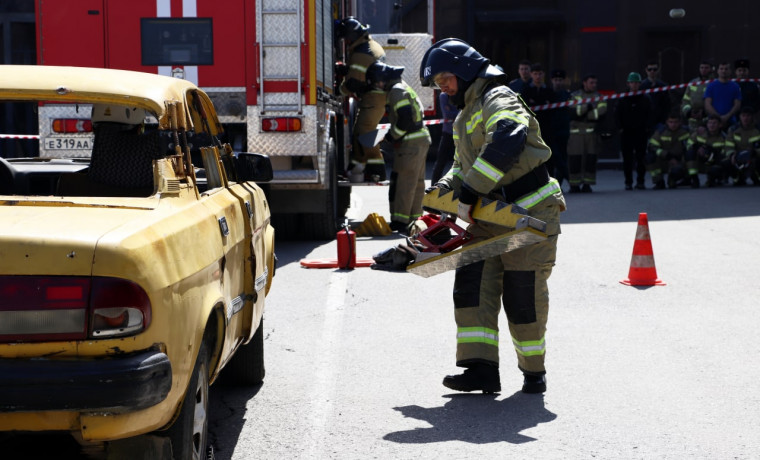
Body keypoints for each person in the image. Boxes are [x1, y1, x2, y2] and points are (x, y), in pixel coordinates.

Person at [420, 38, 566, 394]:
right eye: (439, 84)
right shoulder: (466, 114)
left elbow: (508, 137)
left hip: (529, 213)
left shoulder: (498, 99)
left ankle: (534, 372)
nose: (444, 88)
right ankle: (480, 369)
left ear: (466, 70)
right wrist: (439, 193)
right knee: (473, 287)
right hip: (489, 217)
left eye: (446, 80)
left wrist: (469, 192)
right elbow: (461, 167)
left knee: (522, 294)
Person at [366, 61, 431, 234]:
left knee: (403, 182)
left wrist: (390, 136)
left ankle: (401, 222)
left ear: (382, 79)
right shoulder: (403, 87)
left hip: (410, 143)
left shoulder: (396, 91)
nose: (377, 86)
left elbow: (405, 118)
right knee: (416, 183)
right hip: (420, 139)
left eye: (376, 82)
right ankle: (414, 220)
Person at [336, 17, 387, 181]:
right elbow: (363, 72)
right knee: (362, 133)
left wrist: (338, 91)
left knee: (365, 134)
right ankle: (367, 170)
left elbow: (352, 83)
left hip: (373, 99)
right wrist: (345, 69)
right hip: (376, 98)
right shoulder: (370, 46)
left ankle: (376, 172)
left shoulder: (360, 54)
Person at [568, 73, 607, 192]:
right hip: (575, 134)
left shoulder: (600, 97)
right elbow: (573, 113)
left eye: (595, 83)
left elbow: (600, 114)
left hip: (591, 134)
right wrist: (589, 107)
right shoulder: (575, 96)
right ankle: (574, 185)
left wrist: (583, 113)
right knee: (575, 159)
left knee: (590, 159)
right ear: (584, 83)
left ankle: (587, 184)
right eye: (591, 82)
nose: (594, 85)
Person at [616, 72, 651, 190]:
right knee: (627, 159)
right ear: (628, 83)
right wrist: (620, 128)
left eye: (636, 82)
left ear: (640, 84)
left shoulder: (645, 98)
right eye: (632, 82)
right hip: (626, 132)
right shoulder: (623, 98)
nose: (634, 85)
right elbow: (617, 114)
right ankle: (628, 182)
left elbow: (650, 114)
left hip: (641, 132)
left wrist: (647, 128)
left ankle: (640, 181)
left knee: (641, 157)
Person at [522, 63, 557, 176]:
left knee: (548, 154)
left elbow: (552, 109)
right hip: (531, 128)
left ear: (544, 75)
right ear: (531, 74)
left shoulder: (549, 91)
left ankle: (549, 177)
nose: (538, 76)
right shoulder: (526, 90)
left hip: (547, 128)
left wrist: (537, 103)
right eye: (535, 74)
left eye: (540, 74)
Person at [646, 113, 690, 189]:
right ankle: (659, 181)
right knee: (650, 157)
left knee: (676, 174)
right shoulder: (660, 132)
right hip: (664, 160)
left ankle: (675, 179)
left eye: (676, 122)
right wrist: (667, 155)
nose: (673, 124)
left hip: (679, 161)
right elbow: (652, 146)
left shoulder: (686, 131)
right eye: (671, 122)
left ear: (680, 122)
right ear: (667, 122)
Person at [686, 115, 727, 187]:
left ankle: (714, 178)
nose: (712, 125)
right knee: (690, 153)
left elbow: (724, 154)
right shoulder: (699, 133)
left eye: (714, 123)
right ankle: (694, 178)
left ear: (720, 125)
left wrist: (712, 152)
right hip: (700, 161)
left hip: (714, 162)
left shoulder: (723, 137)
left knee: (723, 164)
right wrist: (697, 148)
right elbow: (688, 144)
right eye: (710, 123)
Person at [725, 106, 760, 185]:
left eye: (748, 115)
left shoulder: (758, 129)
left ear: (752, 117)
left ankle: (756, 176)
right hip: (737, 158)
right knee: (725, 163)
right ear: (740, 117)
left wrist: (755, 152)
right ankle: (737, 178)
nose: (745, 118)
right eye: (743, 115)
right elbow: (728, 145)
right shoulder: (733, 129)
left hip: (753, 157)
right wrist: (731, 155)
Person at [549, 69, 571, 187]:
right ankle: (568, 178)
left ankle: (559, 184)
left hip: (563, 130)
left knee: (562, 157)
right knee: (555, 158)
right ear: (552, 80)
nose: (558, 82)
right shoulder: (549, 93)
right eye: (556, 80)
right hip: (551, 130)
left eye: (560, 80)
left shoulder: (567, 95)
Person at [431, 92, 459, 184]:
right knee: (441, 161)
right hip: (448, 132)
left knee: (461, 160)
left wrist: (455, 113)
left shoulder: (459, 93)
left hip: (459, 132)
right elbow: (447, 114)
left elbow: (464, 111)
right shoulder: (444, 96)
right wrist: (459, 112)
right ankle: (434, 185)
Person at [704, 61, 742, 130]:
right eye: (721, 69)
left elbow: (737, 105)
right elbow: (707, 105)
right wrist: (718, 118)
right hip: (713, 123)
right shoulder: (711, 86)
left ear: (730, 71)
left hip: (731, 122)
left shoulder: (735, 86)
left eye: (726, 69)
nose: (723, 71)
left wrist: (727, 117)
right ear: (717, 71)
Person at [640, 60, 670, 132]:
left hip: (659, 122)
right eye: (650, 69)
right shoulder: (641, 86)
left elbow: (667, 104)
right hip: (644, 122)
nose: (652, 71)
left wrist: (664, 120)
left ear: (658, 70)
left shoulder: (663, 86)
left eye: (654, 69)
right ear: (646, 70)